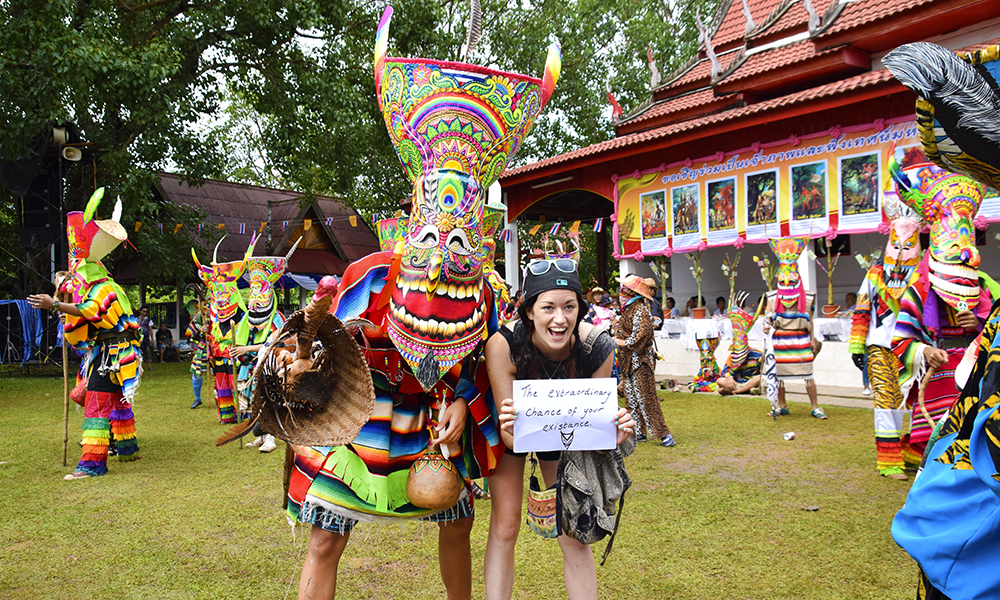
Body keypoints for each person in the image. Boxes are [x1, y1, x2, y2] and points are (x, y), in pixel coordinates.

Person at [286, 11, 550, 597]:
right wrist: (300, 359)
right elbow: (314, 332)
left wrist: (461, 399)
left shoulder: (483, 290)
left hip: (434, 427)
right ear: (416, 208)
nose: (445, 247)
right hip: (360, 418)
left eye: (460, 234)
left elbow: (485, 360)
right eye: (434, 230)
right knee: (325, 537)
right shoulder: (373, 275)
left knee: (457, 526)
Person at [484, 258, 635, 600]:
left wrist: (612, 435)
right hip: (516, 430)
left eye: (569, 307)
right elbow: (511, 435)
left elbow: (595, 435)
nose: (559, 318)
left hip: (565, 432)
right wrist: (511, 427)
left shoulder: (597, 347)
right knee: (506, 524)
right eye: (548, 307)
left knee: (572, 529)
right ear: (529, 312)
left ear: (580, 309)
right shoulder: (503, 345)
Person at [28, 188, 141, 479]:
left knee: (98, 403)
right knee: (114, 401)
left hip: (113, 354)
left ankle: (92, 464)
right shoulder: (97, 283)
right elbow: (76, 294)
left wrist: (54, 304)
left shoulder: (103, 288)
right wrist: (62, 288)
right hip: (106, 353)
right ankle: (126, 447)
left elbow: (91, 310)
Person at [890, 159, 994, 466]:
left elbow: (993, 336)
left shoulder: (982, 289)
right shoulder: (918, 291)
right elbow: (900, 340)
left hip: (972, 379)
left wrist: (977, 322)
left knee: (974, 449)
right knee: (939, 453)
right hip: (937, 382)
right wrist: (924, 351)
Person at [849, 187, 925, 479]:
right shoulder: (875, 275)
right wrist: (857, 346)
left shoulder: (923, 273)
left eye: (908, 245)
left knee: (919, 402)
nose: (901, 250)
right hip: (880, 347)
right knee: (886, 402)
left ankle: (911, 449)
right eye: (896, 244)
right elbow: (861, 310)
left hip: (915, 349)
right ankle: (889, 460)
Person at [764, 237, 827, 419]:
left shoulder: (807, 298)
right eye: (783, 282)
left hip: (801, 340)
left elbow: (811, 321)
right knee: (780, 377)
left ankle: (815, 406)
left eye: (791, 282)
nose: (787, 286)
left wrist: (812, 339)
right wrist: (766, 326)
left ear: (798, 279)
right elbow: (767, 318)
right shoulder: (772, 298)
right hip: (780, 341)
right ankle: (782, 405)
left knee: (808, 374)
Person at [616, 275, 675, 446]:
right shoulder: (629, 308)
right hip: (628, 360)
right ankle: (638, 431)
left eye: (624, 289)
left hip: (640, 361)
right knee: (631, 398)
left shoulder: (639, 309)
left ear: (631, 292)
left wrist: (622, 342)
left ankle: (663, 434)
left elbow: (643, 334)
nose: (621, 292)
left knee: (647, 398)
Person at [716, 295, 762, 396]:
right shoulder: (733, 355)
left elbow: (762, 371)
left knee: (759, 379)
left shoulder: (756, 354)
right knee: (720, 381)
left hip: (750, 381)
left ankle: (737, 391)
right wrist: (730, 377)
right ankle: (743, 390)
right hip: (735, 382)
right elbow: (725, 371)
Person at [184, 303, 210, 409]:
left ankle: (223, 398)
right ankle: (197, 398)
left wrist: (211, 329)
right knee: (196, 372)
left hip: (217, 346)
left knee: (219, 373)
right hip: (203, 347)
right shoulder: (200, 313)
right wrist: (200, 328)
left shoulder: (221, 311)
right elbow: (190, 330)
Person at [137, 306, 153, 372]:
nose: (145, 313)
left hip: (146, 337)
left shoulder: (148, 320)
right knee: (138, 351)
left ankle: (150, 366)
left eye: (146, 311)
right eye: (144, 311)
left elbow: (150, 329)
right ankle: (138, 366)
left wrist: (152, 339)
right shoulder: (136, 319)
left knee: (148, 351)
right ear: (140, 311)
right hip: (139, 337)